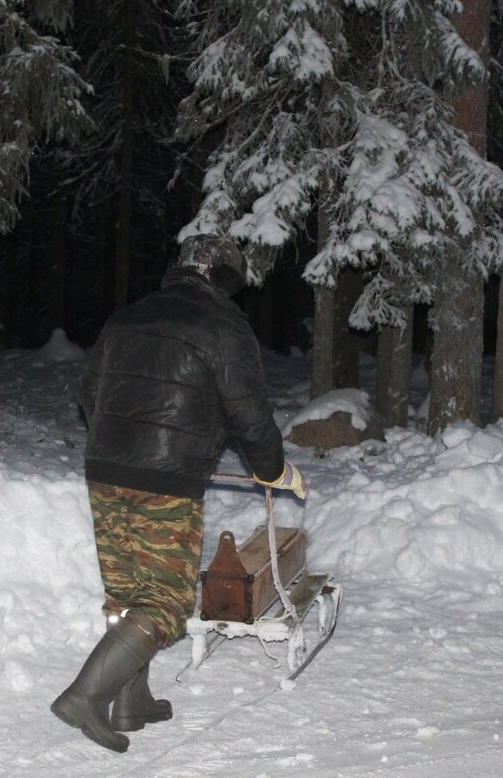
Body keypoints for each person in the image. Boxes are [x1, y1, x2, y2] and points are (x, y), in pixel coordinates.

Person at [50, 233, 305, 753]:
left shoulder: (128, 317)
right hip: (164, 480)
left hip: (103, 468)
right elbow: (248, 414)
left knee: (127, 592)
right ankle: (85, 695)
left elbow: (89, 394)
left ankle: (130, 700)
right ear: (226, 279)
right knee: (165, 602)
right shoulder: (225, 326)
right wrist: (274, 469)